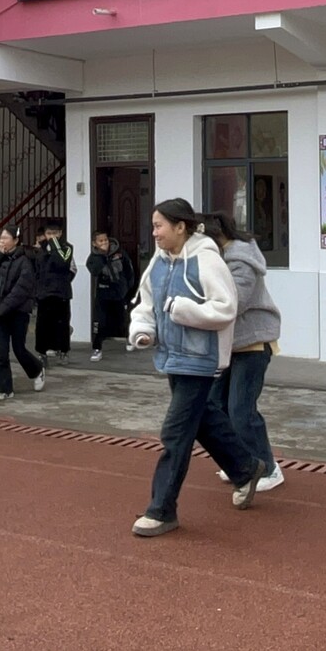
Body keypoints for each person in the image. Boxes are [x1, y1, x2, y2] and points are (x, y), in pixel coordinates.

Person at [127, 198, 269, 537]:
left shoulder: (207, 259)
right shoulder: (158, 262)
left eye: (159, 226)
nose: (154, 233)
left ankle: (162, 510)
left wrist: (182, 310)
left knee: (175, 433)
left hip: (200, 360)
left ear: (181, 227)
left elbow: (226, 308)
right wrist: (143, 330)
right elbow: (146, 304)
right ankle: (245, 467)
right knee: (202, 418)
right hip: (172, 357)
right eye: (153, 226)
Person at [201, 211, 284, 495]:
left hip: (253, 344)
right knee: (215, 406)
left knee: (241, 410)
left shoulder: (240, 261)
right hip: (228, 346)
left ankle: (268, 468)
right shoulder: (216, 258)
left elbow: (231, 303)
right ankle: (241, 464)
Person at [0, 225, 46, 400]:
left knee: (19, 348)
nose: (1, 241)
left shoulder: (25, 261)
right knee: (1, 352)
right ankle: (5, 389)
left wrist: (4, 307)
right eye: (0, 238)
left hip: (18, 311)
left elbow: (21, 289)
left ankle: (37, 369)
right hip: (1, 312)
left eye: (5, 238)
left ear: (16, 241)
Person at [87, 231, 135, 361]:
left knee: (123, 318)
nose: (104, 243)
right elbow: (94, 271)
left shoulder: (119, 253)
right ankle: (97, 348)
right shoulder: (93, 257)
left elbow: (128, 270)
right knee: (99, 321)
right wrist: (102, 256)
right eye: (100, 241)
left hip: (119, 292)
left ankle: (129, 339)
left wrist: (127, 287)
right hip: (103, 293)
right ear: (94, 243)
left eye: (105, 240)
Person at [35, 222, 76, 363]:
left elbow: (63, 262)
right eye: (49, 234)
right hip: (44, 292)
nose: (51, 237)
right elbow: (37, 269)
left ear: (60, 234)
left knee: (62, 323)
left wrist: (54, 245)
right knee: (42, 325)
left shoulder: (67, 248)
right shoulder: (40, 249)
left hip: (61, 292)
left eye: (54, 233)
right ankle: (42, 352)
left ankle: (64, 350)